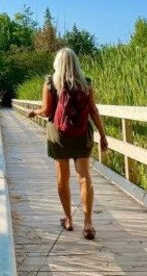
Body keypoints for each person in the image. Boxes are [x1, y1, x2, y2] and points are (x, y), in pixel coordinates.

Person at [27, 47, 109, 240]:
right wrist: (103, 136)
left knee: (62, 178)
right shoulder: (85, 83)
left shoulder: (51, 83)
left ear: (57, 63)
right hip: (82, 134)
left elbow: (47, 111)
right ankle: (88, 224)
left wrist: (34, 112)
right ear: (75, 62)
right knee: (84, 177)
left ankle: (69, 219)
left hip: (59, 135)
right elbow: (94, 111)